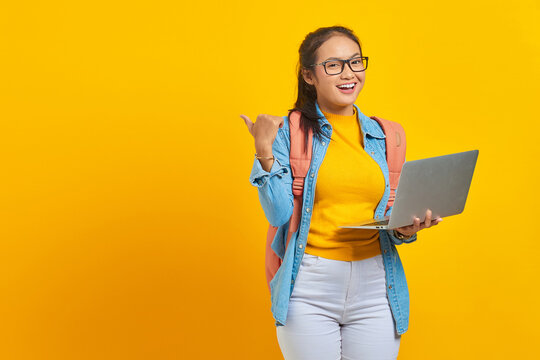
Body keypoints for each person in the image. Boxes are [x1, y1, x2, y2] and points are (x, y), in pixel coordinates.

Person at [240, 25, 442, 360]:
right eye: (333, 65)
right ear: (309, 75)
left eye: (355, 62)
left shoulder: (388, 135)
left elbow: (390, 214)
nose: (348, 74)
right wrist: (263, 149)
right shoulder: (287, 131)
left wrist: (406, 229)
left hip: (377, 285)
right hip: (309, 286)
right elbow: (278, 214)